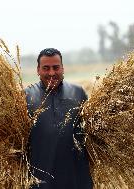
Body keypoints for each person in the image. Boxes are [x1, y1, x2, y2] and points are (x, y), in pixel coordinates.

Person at [25, 48, 93, 189]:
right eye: (46, 68)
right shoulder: (25, 97)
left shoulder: (78, 93)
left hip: (75, 178)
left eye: (56, 68)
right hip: (40, 180)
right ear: (38, 70)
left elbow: (90, 131)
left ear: (63, 68)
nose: (51, 73)